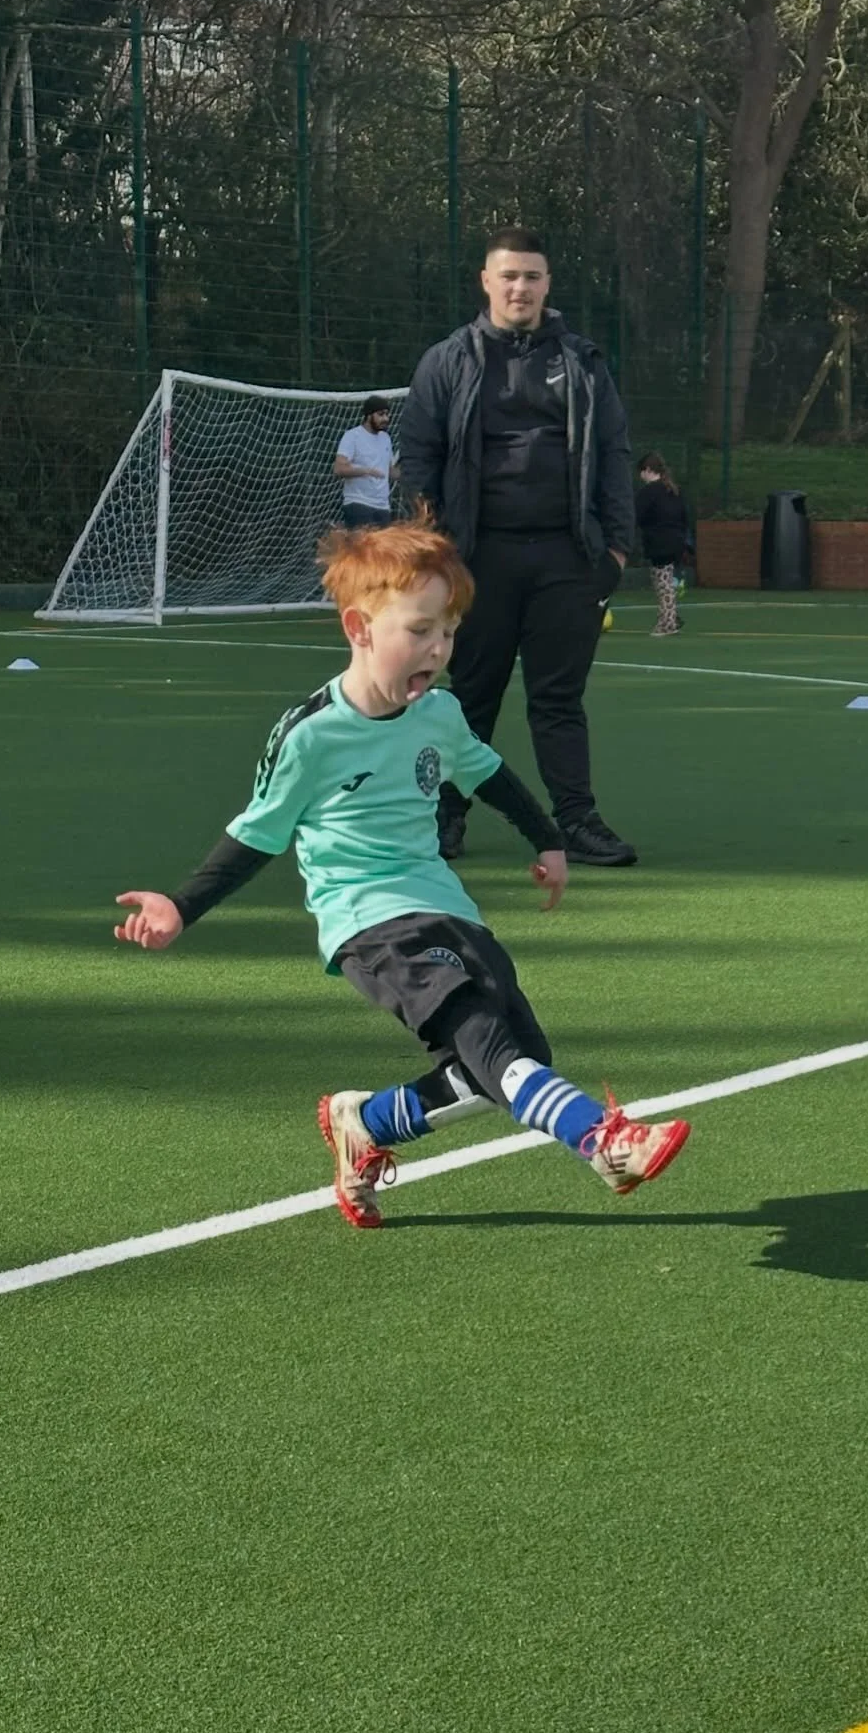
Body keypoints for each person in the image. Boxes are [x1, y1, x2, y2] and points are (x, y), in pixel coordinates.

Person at [112, 512, 690, 1229]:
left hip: (443, 904)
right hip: (368, 920)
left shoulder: (439, 713)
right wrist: (181, 904)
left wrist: (547, 839)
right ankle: (601, 1139)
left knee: (507, 1064)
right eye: (419, 630)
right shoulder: (312, 735)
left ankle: (369, 1122)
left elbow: (489, 774)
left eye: (446, 631)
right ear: (359, 628)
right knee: (484, 1035)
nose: (438, 648)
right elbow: (257, 835)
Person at [398, 225, 638, 869]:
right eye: (508, 275)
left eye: (532, 276)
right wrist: (431, 552)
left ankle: (578, 822)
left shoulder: (584, 362)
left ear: (547, 284)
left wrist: (616, 548)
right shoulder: (447, 361)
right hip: (477, 563)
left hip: (568, 560)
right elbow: (417, 456)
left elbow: (615, 454)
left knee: (559, 700)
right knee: (469, 698)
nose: (520, 287)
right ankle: (446, 820)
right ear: (486, 281)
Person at [635, 453, 690, 637]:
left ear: (648, 470)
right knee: (665, 581)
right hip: (676, 541)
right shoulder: (675, 490)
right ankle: (672, 616)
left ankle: (668, 623)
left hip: (660, 543)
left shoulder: (648, 492)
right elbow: (684, 516)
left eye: (641, 472)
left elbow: (638, 516)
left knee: (663, 583)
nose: (641, 476)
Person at [333, 395, 398, 528]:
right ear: (369, 416)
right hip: (359, 504)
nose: (385, 419)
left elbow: (390, 471)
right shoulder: (352, 436)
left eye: (387, 414)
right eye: (381, 414)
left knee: (384, 549)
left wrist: (412, 473)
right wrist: (366, 471)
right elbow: (339, 469)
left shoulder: (386, 438)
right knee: (361, 548)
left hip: (383, 506)